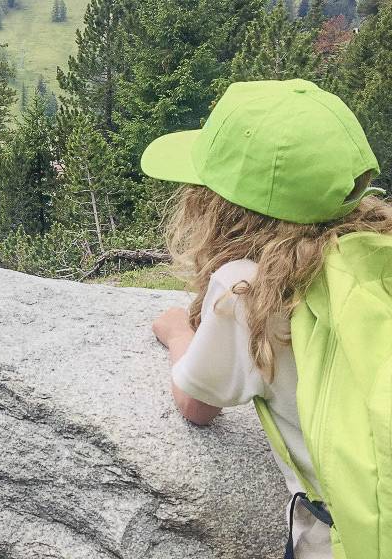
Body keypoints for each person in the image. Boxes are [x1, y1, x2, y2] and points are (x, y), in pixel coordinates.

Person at [143, 79, 391, 558]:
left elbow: (196, 406)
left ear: (216, 203)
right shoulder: (377, 254)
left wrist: (179, 333)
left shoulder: (247, 287)